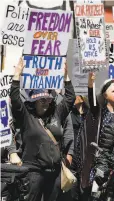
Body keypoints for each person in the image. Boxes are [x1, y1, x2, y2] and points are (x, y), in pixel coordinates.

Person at [9, 58, 75, 201]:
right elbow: (14, 99)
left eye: (48, 99)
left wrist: (66, 77)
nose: (46, 102)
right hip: (33, 172)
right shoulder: (26, 116)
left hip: (55, 172)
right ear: (34, 101)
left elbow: (70, 98)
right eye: (42, 100)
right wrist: (17, 75)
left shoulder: (57, 113)